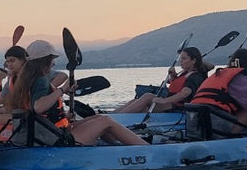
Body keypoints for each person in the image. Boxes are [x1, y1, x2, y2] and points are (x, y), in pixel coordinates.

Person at [8, 40, 146, 146]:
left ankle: (118, 148)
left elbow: (38, 112)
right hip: (56, 140)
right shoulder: (41, 81)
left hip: (45, 134)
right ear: (45, 61)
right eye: (52, 60)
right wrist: (62, 89)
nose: (53, 64)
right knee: (106, 121)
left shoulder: (24, 81)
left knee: (98, 118)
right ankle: (145, 148)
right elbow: (38, 107)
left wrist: (64, 117)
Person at [115, 46, 210, 114]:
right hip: (171, 104)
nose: (181, 61)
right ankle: (111, 115)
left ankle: (117, 119)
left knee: (148, 96)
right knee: (135, 102)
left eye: (184, 59)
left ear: (193, 60)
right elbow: (176, 86)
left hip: (178, 108)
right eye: (181, 58)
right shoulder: (184, 73)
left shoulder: (196, 76)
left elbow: (185, 93)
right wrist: (173, 76)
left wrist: (164, 101)